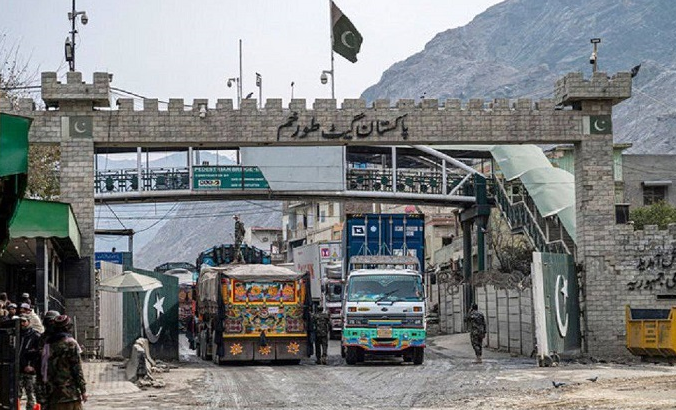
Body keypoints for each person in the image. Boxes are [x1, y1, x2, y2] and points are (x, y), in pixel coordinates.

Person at [45, 315, 87, 409]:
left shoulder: (48, 343)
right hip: (70, 393)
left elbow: (43, 368)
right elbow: (77, 369)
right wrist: (83, 390)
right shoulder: (71, 343)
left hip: (53, 393)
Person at [37, 310, 61, 410]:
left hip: (59, 376)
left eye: (53, 321)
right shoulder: (42, 337)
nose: (51, 324)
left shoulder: (62, 337)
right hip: (44, 375)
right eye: (49, 321)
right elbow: (39, 352)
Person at [19, 314, 42, 410]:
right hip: (18, 369)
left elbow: (39, 354)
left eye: (24, 321)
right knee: (16, 394)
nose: (22, 324)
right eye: (20, 322)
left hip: (30, 370)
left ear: (29, 322)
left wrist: (32, 366)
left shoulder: (35, 336)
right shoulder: (16, 334)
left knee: (31, 394)